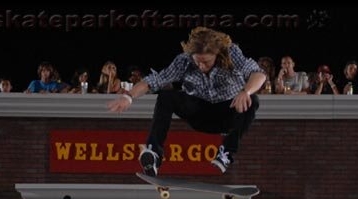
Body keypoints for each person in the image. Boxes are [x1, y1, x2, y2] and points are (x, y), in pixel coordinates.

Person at [108, 27, 266, 175]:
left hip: (227, 113)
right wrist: (128, 96)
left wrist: (246, 91)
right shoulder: (184, 61)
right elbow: (155, 80)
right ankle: (154, 153)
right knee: (166, 96)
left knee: (253, 100)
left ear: (217, 54)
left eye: (206, 62)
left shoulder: (232, 54)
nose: (202, 66)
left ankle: (226, 153)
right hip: (198, 113)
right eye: (198, 62)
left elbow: (258, 74)